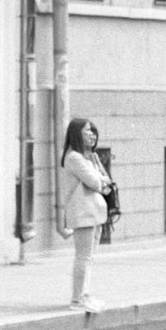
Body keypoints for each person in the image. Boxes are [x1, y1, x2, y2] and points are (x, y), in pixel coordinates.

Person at [60, 117, 113, 311]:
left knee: (89, 257)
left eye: (93, 131)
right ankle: (76, 300)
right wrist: (101, 182)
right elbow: (96, 182)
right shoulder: (73, 157)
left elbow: (106, 180)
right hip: (82, 212)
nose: (92, 135)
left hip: (94, 211)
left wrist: (100, 178)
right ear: (77, 134)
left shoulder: (89, 157)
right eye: (88, 131)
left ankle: (85, 295)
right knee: (83, 256)